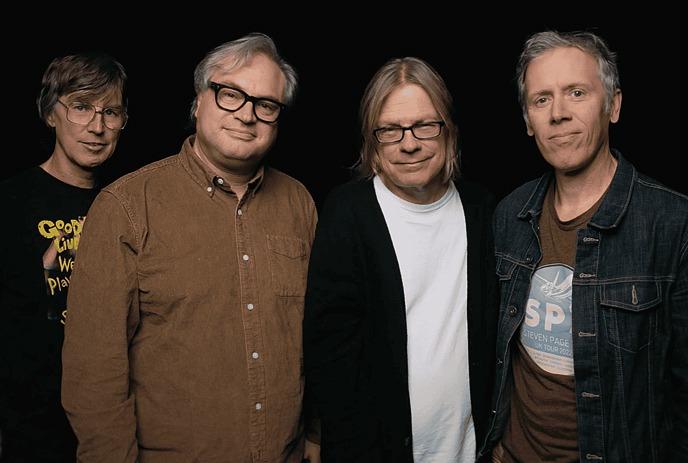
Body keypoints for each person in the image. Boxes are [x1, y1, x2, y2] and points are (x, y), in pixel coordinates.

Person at [61, 33, 320, 462]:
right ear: (199, 100)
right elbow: (94, 375)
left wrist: (316, 433)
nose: (246, 115)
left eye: (265, 104)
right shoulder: (125, 207)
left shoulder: (299, 203)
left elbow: (320, 334)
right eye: (230, 94)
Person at [479, 31, 688, 462]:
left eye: (576, 93)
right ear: (527, 120)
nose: (558, 114)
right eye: (541, 99)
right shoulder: (509, 215)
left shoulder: (672, 223)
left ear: (613, 105)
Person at [304, 56, 498, 462]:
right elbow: (330, 353)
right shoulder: (348, 213)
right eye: (391, 130)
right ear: (372, 143)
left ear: (449, 132)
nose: (409, 143)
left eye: (425, 126)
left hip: (468, 448)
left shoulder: (482, 209)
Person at [0, 52, 127, 462]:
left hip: (112, 427)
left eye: (111, 111)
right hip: (32, 430)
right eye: (81, 107)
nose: (98, 126)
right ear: (49, 113)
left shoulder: (128, 204)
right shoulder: (10, 203)